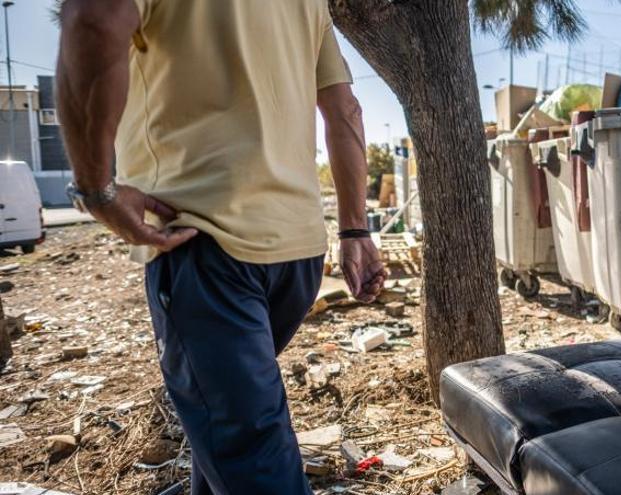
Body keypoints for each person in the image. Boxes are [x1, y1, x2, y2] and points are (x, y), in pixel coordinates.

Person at [56, 0, 386, 493]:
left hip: (205, 248)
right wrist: (355, 231)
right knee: (227, 436)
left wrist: (95, 188)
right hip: (297, 256)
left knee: (253, 457)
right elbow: (345, 110)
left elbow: (93, 17)